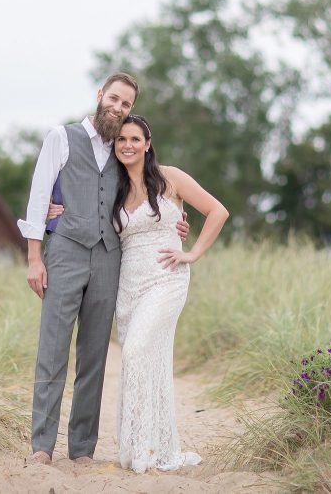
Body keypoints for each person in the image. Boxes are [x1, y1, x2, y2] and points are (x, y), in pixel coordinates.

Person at [18, 73, 188, 466]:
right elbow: (39, 196)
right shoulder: (61, 138)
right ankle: (42, 446)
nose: (118, 108)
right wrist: (34, 257)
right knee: (53, 348)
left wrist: (180, 222)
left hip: (110, 257)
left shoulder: (124, 149)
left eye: (126, 104)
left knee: (94, 356)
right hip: (64, 252)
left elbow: (158, 190)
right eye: (113, 99)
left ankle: (82, 449)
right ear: (100, 96)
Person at [109, 114, 228, 473]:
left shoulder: (169, 179)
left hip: (166, 279)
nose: (127, 145)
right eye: (120, 140)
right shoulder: (114, 188)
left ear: (147, 143)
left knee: (134, 351)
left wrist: (191, 252)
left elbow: (217, 211)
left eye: (134, 139)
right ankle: (145, 448)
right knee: (148, 360)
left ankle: (147, 448)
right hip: (128, 287)